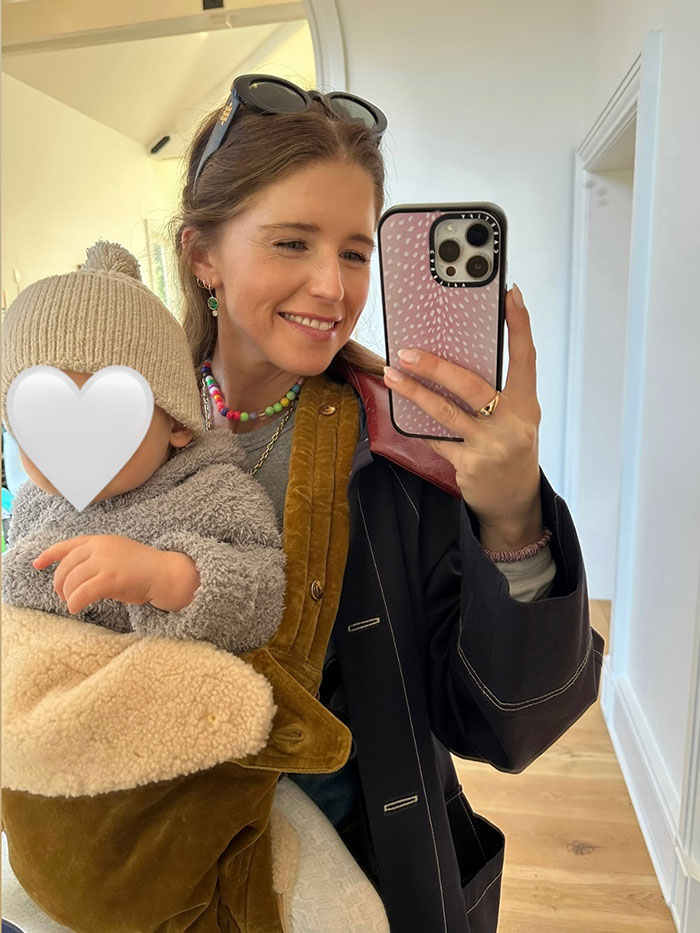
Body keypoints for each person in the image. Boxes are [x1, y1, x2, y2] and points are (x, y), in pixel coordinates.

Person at [1, 75, 604, 933]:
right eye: (292, 242)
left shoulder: (402, 455)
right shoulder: (97, 430)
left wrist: (512, 517)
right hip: (136, 871)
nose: (333, 285)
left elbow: (507, 723)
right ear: (203, 253)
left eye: (356, 252)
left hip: (352, 883)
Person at [1, 239, 286, 656]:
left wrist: (168, 577)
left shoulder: (215, 493)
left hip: (159, 693)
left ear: (176, 422)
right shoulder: (33, 503)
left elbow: (265, 593)